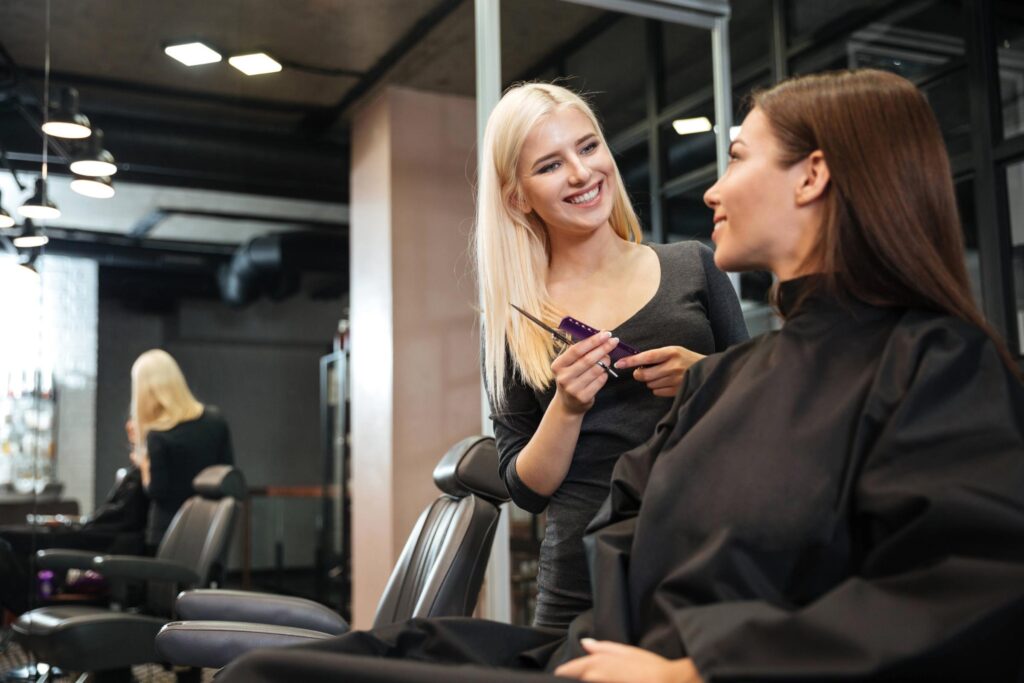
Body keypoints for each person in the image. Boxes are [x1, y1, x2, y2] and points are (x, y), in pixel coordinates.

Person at [217, 69, 1024, 682]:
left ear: (811, 177)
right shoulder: (727, 384)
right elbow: (601, 531)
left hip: (673, 663)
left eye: (736, 157)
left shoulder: (931, 362)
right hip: (593, 637)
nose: (711, 186)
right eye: (548, 165)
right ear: (518, 195)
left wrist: (695, 668)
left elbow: (968, 589)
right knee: (278, 668)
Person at [478, 82, 748, 628]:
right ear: (517, 197)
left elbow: (768, 412)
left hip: (706, 557)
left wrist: (706, 378)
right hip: (582, 583)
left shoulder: (695, 265)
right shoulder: (516, 321)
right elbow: (525, 491)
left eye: (588, 147)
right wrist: (567, 408)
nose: (581, 173)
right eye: (550, 165)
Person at [0, 421, 149, 616]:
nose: (128, 425)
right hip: (93, 534)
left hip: (97, 541)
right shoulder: (136, 477)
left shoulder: (141, 479)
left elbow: (113, 524)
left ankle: (27, 606)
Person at [130, 349, 234, 549]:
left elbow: (156, 491)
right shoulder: (215, 420)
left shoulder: (158, 435)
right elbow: (227, 474)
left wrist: (143, 462)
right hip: (209, 532)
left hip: (167, 535)